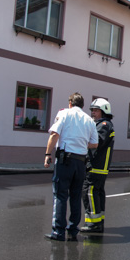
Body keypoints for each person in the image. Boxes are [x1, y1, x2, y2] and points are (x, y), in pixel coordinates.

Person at [44, 92, 98, 241]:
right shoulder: (89, 120)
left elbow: (54, 134)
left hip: (65, 160)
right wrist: (80, 143)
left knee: (60, 195)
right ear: (82, 105)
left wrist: (47, 154)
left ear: (70, 103)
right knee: (75, 196)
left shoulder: (64, 114)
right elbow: (94, 144)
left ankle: (58, 232)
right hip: (80, 162)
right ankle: (73, 230)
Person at [81, 98, 115, 233]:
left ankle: (94, 224)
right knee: (97, 192)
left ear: (104, 111)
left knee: (89, 191)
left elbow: (96, 143)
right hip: (98, 165)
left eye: (96, 110)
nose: (93, 113)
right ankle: (98, 221)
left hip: (97, 165)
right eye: (92, 110)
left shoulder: (104, 125)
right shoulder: (101, 124)